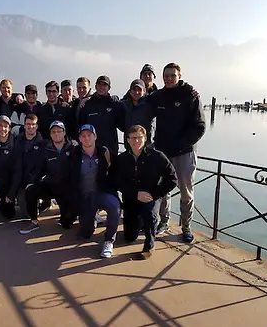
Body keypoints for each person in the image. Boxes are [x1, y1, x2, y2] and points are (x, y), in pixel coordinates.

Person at [145, 63, 206, 242]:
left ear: (180, 76)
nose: (169, 78)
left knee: (186, 192)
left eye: (173, 75)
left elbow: (200, 127)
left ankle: (186, 226)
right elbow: (138, 102)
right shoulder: (158, 96)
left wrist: (182, 144)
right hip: (163, 152)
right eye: (166, 75)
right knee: (164, 190)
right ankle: (164, 222)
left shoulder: (190, 95)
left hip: (185, 152)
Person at [112, 125, 177, 258]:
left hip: (150, 197)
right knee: (129, 237)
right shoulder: (122, 159)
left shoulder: (157, 157)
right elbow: (116, 181)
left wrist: (155, 194)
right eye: (133, 138)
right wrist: (134, 193)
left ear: (146, 138)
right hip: (131, 197)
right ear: (128, 140)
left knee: (149, 213)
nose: (136, 141)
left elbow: (172, 179)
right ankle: (138, 222)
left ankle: (149, 245)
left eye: (139, 138)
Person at [70, 124, 121, 258]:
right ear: (79, 138)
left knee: (114, 206)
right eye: (83, 136)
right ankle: (91, 219)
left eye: (89, 135)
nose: (87, 138)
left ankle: (109, 241)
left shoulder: (104, 152)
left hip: (102, 194)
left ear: (95, 136)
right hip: (85, 197)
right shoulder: (74, 154)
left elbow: (120, 168)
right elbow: (68, 178)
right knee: (86, 233)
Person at [19, 120, 77, 234]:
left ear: (64, 132)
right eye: (53, 132)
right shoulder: (45, 148)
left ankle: (70, 213)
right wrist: (32, 182)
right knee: (31, 191)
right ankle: (34, 221)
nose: (56, 134)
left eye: (59, 131)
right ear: (50, 134)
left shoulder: (74, 147)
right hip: (50, 184)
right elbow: (39, 169)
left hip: (67, 189)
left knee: (67, 223)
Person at [78, 75, 122, 156]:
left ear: (109, 88)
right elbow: (81, 128)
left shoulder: (114, 104)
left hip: (110, 149)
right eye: (99, 84)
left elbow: (122, 126)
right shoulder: (87, 104)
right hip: (91, 150)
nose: (101, 87)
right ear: (95, 86)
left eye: (104, 85)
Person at [14, 113, 45, 218]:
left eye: (33, 124)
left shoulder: (42, 143)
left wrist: (32, 181)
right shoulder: (18, 140)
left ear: (36, 126)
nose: (30, 126)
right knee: (26, 214)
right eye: (28, 124)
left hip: (36, 180)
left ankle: (43, 201)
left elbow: (41, 167)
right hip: (22, 180)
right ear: (24, 125)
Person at [120, 79, 152, 150]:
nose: (136, 92)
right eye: (134, 89)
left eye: (139, 90)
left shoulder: (150, 105)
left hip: (146, 147)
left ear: (144, 91)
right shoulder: (123, 106)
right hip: (129, 146)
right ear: (130, 92)